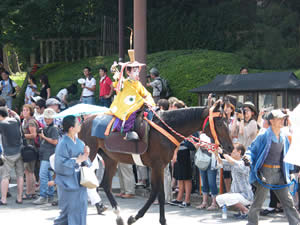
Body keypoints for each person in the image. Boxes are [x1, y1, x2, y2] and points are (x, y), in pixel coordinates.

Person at [245, 109, 300, 225]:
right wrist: (248, 157)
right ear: (271, 120)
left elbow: (286, 156)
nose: (282, 121)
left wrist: (290, 171)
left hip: (280, 174)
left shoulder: (284, 136)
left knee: (288, 202)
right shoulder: (263, 135)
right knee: (258, 203)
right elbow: (251, 150)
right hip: (265, 173)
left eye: (282, 118)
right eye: (279, 118)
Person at [109, 50, 155, 141]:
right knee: (131, 113)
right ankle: (127, 132)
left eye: (137, 70)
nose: (137, 73)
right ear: (128, 72)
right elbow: (118, 78)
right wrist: (114, 70)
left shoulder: (138, 84)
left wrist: (150, 103)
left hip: (137, 103)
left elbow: (146, 94)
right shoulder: (124, 82)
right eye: (134, 71)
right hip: (126, 104)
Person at [54, 115, 90, 225]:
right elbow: (59, 164)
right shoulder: (62, 143)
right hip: (67, 181)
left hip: (80, 180)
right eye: (77, 124)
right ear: (71, 128)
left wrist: (86, 155)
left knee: (81, 209)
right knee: (68, 211)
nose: (80, 125)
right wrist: (76, 161)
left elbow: (86, 162)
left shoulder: (81, 143)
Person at [215, 143, 253, 219]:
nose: (231, 151)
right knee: (219, 198)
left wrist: (222, 153)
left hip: (246, 196)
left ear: (239, 152)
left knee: (230, 198)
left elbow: (233, 162)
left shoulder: (243, 163)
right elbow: (220, 162)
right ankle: (242, 211)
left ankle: (246, 211)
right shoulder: (232, 162)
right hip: (237, 195)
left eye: (233, 149)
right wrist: (215, 152)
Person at [33, 108, 59, 205]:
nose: (47, 119)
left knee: (43, 175)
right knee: (48, 176)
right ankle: (50, 195)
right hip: (45, 154)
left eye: (49, 118)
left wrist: (43, 137)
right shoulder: (46, 127)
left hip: (49, 155)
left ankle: (43, 196)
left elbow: (55, 142)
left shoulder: (54, 128)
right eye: (46, 118)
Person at [0, 107, 23, 205]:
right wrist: (12, 112)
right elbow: (17, 116)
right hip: (20, 151)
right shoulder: (16, 120)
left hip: (8, 154)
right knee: (20, 175)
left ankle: (3, 199)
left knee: (5, 177)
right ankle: (19, 198)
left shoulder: (1, 124)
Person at [195, 133, 219, 210]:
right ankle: (204, 202)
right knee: (204, 182)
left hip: (212, 160)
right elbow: (197, 147)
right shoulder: (201, 135)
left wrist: (206, 146)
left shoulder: (214, 135)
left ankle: (214, 203)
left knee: (212, 182)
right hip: (202, 160)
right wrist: (198, 146)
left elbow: (217, 147)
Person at [22, 104, 39, 200]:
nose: (24, 112)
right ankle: (32, 192)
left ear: (30, 111)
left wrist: (22, 135)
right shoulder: (26, 121)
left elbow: (33, 135)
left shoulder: (31, 122)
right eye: (23, 110)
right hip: (29, 148)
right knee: (29, 171)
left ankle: (29, 192)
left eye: (26, 110)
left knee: (29, 171)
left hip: (30, 148)